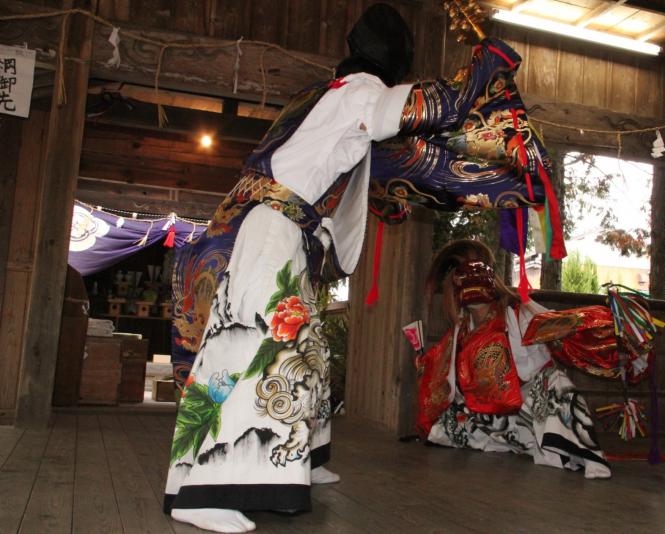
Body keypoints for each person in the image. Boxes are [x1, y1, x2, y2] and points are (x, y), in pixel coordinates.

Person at [165, 4, 562, 530]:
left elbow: (395, 166)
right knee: (255, 349)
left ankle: (297, 460)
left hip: (283, 232)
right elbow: (414, 112)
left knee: (299, 352)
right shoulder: (357, 93)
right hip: (274, 231)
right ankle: (206, 490)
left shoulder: (321, 98)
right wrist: (480, 76)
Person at [417, 240, 611, 479]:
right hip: (491, 413)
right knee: (444, 427)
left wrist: (600, 331)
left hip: (528, 404)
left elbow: (556, 327)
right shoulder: (462, 328)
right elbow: (450, 383)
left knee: (556, 382)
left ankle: (574, 451)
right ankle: (517, 441)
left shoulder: (515, 311)